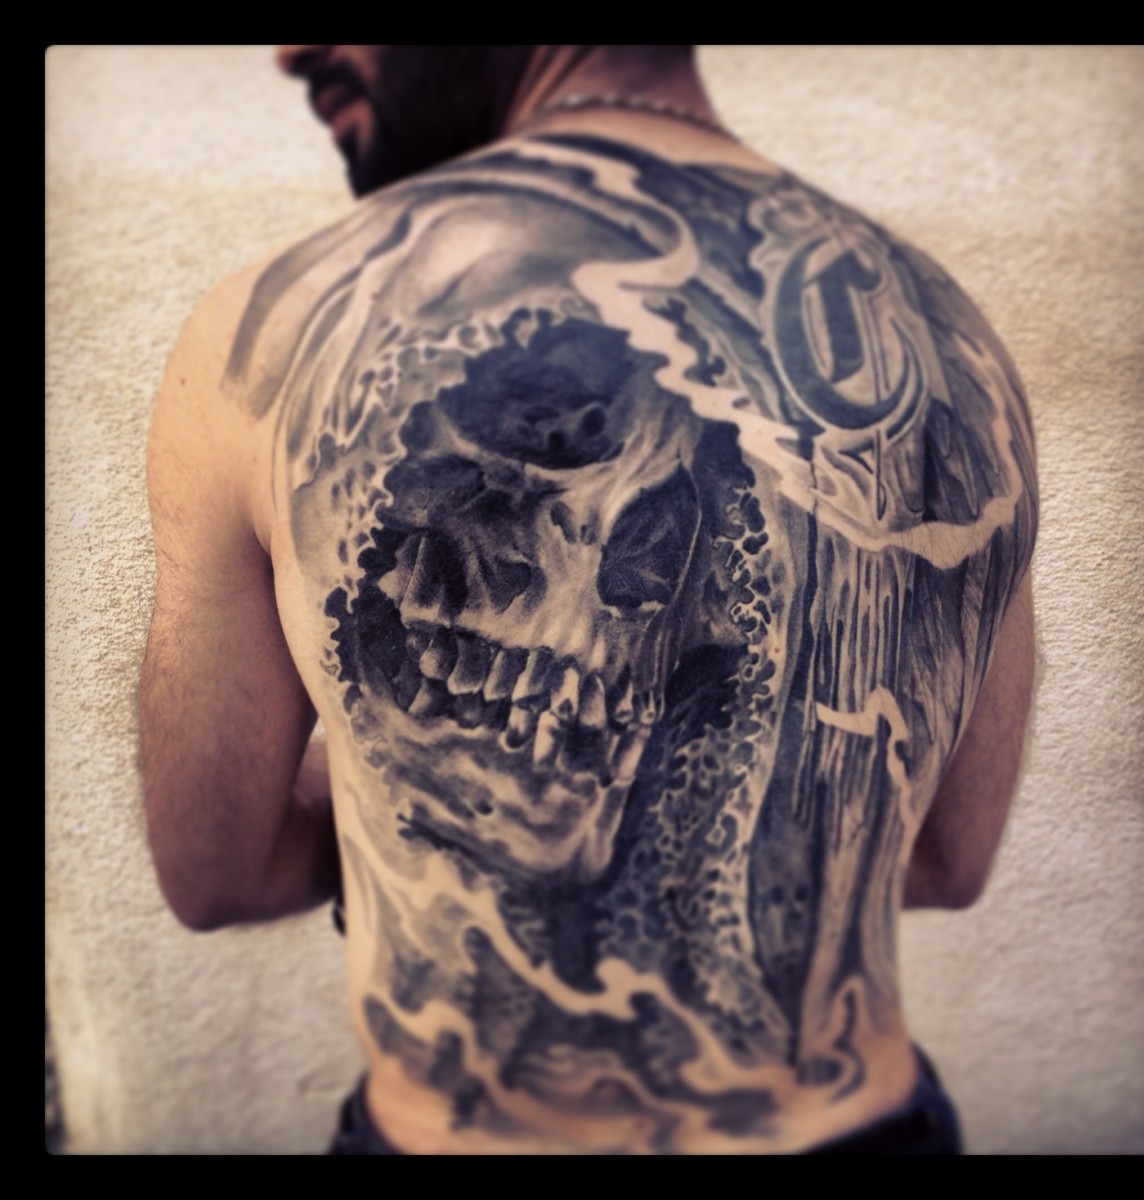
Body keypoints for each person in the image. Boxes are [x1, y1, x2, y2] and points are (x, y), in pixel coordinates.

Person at [138, 45, 1037, 1155]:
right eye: (514, 478)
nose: (289, 51)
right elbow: (947, 855)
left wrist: (402, 774)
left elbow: (218, 870)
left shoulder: (265, 339)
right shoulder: (951, 342)